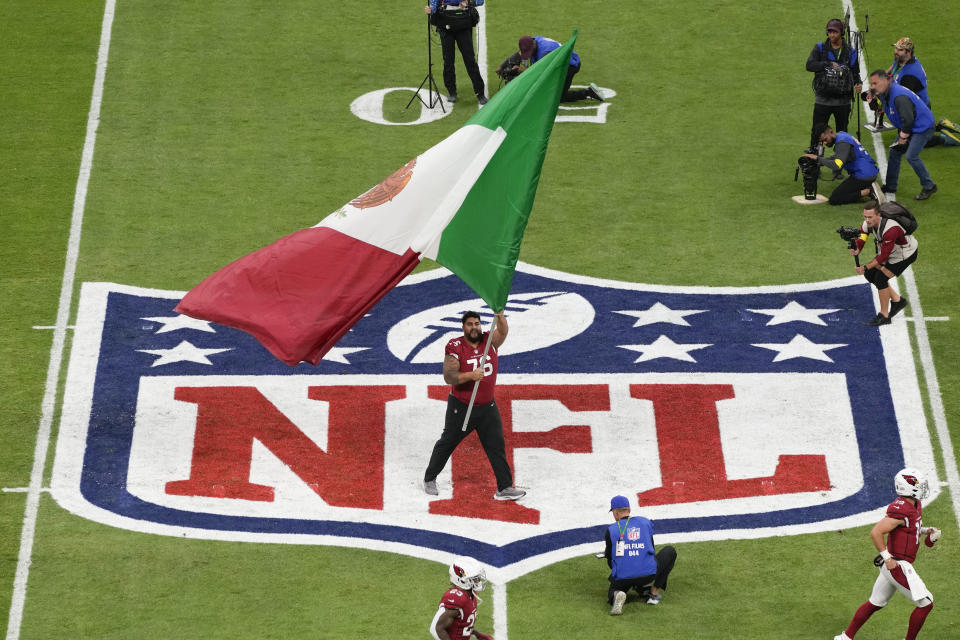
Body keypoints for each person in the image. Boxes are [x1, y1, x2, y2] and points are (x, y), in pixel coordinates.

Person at [423, 311, 525, 500]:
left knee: (497, 446)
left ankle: (504, 488)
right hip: (462, 407)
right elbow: (449, 376)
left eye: (477, 323)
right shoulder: (455, 346)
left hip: (487, 406)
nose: (474, 327)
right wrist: (471, 375)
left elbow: (503, 332)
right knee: (448, 442)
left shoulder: (489, 341)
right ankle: (430, 478)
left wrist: (500, 316)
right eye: (469, 324)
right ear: (463, 327)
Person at [833, 468, 941, 640]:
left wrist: (927, 531)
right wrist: (888, 558)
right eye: (918, 485)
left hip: (894, 564)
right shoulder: (901, 510)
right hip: (897, 564)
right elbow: (876, 532)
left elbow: (909, 529)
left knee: (875, 603)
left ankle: (845, 637)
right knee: (926, 603)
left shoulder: (914, 505)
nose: (922, 487)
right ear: (908, 487)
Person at [866, 69, 938, 200]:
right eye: (871, 84)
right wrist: (872, 100)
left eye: (875, 83)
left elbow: (908, 120)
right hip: (911, 126)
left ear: (885, 81)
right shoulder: (885, 92)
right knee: (895, 152)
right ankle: (890, 186)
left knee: (911, 156)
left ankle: (929, 186)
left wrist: (903, 138)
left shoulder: (899, 97)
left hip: (922, 128)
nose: (872, 86)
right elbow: (877, 108)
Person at [604, 495, 677, 616]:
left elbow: (610, 559)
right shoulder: (645, 523)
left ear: (616, 512)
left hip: (623, 577)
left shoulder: (611, 530)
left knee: (613, 591)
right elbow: (651, 550)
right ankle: (653, 594)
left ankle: (617, 594)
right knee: (670, 551)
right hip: (648, 574)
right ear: (629, 510)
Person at [850, 200, 917, 326]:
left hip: (904, 255)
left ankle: (884, 316)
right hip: (891, 252)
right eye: (865, 216)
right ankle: (898, 301)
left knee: (880, 278)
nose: (867, 220)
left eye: (870, 217)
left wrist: (865, 267)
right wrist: (858, 247)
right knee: (870, 275)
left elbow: (884, 256)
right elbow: (863, 235)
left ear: (879, 215)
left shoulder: (891, 229)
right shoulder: (868, 223)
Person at [806, 18, 862, 150]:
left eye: (834, 32)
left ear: (841, 33)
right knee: (817, 133)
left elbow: (855, 73)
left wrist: (858, 83)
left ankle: (840, 162)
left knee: (842, 133)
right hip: (822, 100)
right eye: (829, 32)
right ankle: (814, 162)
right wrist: (827, 64)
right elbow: (809, 65)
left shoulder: (851, 52)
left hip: (842, 101)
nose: (831, 35)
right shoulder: (820, 48)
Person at [495, 35, 604, 103]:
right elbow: (517, 55)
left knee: (560, 97)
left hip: (569, 66)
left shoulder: (545, 53)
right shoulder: (533, 41)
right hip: (558, 63)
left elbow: (538, 72)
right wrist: (502, 66)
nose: (527, 56)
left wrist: (519, 70)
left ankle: (589, 92)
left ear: (533, 47)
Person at [424, 0, 487, 105]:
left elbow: (480, 1)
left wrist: (469, 2)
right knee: (448, 60)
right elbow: (434, 3)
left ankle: (480, 93)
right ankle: (452, 91)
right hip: (445, 26)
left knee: (470, 60)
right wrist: (431, 9)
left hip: (463, 25)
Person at [804, 124, 879, 205]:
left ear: (831, 132)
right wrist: (818, 161)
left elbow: (837, 165)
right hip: (868, 171)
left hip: (863, 176)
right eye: (822, 141)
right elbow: (837, 157)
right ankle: (867, 187)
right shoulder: (842, 135)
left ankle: (869, 191)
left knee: (835, 198)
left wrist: (818, 159)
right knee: (846, 191)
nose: (825, 143)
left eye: (825, 139)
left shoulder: (842, 143)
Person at [429, 557, 494, 640]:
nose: (478, 580)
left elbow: (463, 625)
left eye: (478, 577)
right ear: (461, 580)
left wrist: (478, 635)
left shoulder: (470, 595)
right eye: (474, 578)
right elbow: (436, 629)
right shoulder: (456, 598)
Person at [887, 37, 929, 108]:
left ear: (908, 52)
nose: (896, 52)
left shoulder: (909, 76)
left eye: (900, 50)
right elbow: (891, 69)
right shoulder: (902, 59)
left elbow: (902, 101)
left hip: (917, 111)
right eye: (896, 48)